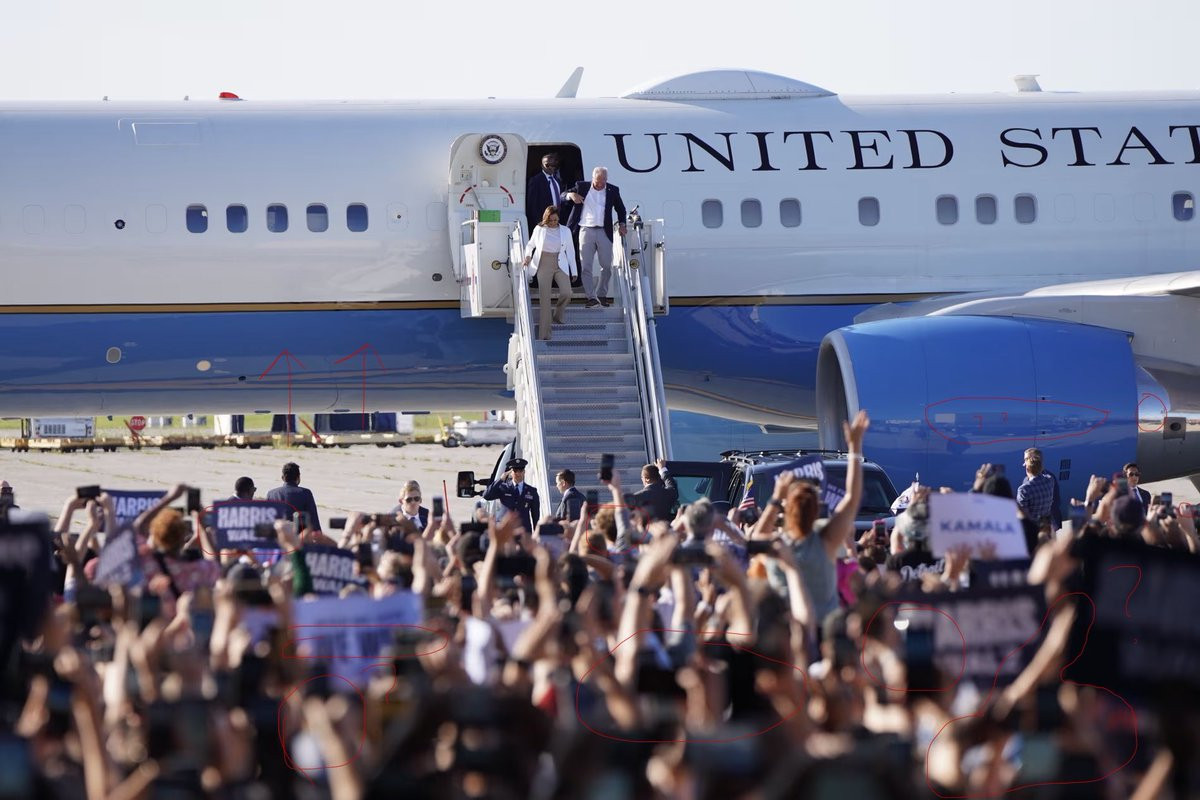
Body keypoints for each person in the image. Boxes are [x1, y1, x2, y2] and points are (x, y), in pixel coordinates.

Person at [756, 410, 870, 623]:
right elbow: (852, 498)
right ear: (817, 511)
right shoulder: (825, 542)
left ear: (785, 510)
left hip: (789, 634)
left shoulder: (777, 548)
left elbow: (756, 537)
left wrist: (776, 498)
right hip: (827, 629)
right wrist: (854, 449)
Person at [563, 166, 627, 308]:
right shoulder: (581, 186)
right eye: (598, 182)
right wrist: (571, 195)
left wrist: (622, 224)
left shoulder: (612, 190)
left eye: (603, 181)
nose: (601, 184)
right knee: (586, 266)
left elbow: (621, 209)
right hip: (586, 230)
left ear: (606, 179)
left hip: (604, 231)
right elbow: (562, 196)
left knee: (607, 266)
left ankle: (602, 295)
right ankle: (591, 297)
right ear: (593, 179)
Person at [522, 206, 577, 340]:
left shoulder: (565, 231)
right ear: (546, 219)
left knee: (567, 292)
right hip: (543, 263)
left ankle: (558, 315)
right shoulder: (539, 229)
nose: (553, 222)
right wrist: (528, 256)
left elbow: (570, 251)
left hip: (560, 263)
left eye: (555, 220)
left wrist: (574, 271)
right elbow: (530, 245)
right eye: (550, 220)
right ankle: (545, 335)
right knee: (545, 300)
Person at [483, 457, 540, 533]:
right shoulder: (503, 487)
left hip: (523, 531)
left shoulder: (531, 491)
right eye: (515, 471)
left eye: (520, 471)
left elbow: (535, 515)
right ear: (511, 473)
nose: (518, 473)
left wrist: (536, 533)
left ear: (524, 472)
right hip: (506, 530)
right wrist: (500, 479)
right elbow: (486, 496)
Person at [266, 461, 322, 532]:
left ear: (282, 477)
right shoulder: (305, 493)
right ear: (298, 477)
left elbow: (267, 520)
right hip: (299, 536)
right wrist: (319, 534)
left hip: (278, 535)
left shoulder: (271, 494)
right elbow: (314, 520)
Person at [1016, 448, 1059, 528]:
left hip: (1032, 528)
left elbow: (1022, 515)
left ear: (1027, 469)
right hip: (1047, 527)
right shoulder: (1050, 480)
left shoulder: (1024, 489)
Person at [525, 152, 567, 234]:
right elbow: (532, 205)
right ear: (542, 165)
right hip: (544, 223)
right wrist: (539, 224)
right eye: (547, 165)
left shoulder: (557, 181)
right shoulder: (535, 180)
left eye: (553, 165)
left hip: (557, 222)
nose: (551, 167)